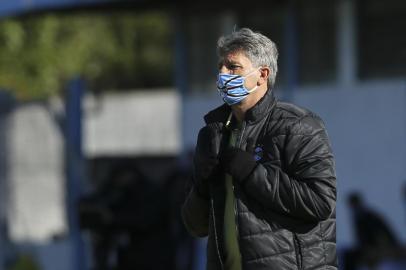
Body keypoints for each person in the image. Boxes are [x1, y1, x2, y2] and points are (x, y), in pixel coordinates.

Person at [181, 28, 337, 270]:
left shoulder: (299, 126)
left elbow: (320, 203)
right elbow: (196, 227)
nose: (223, 74)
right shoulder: (213, 135)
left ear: (262, 74)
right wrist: (201, 186)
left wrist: (254, 174)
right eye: (221, 66)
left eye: (233, 67)